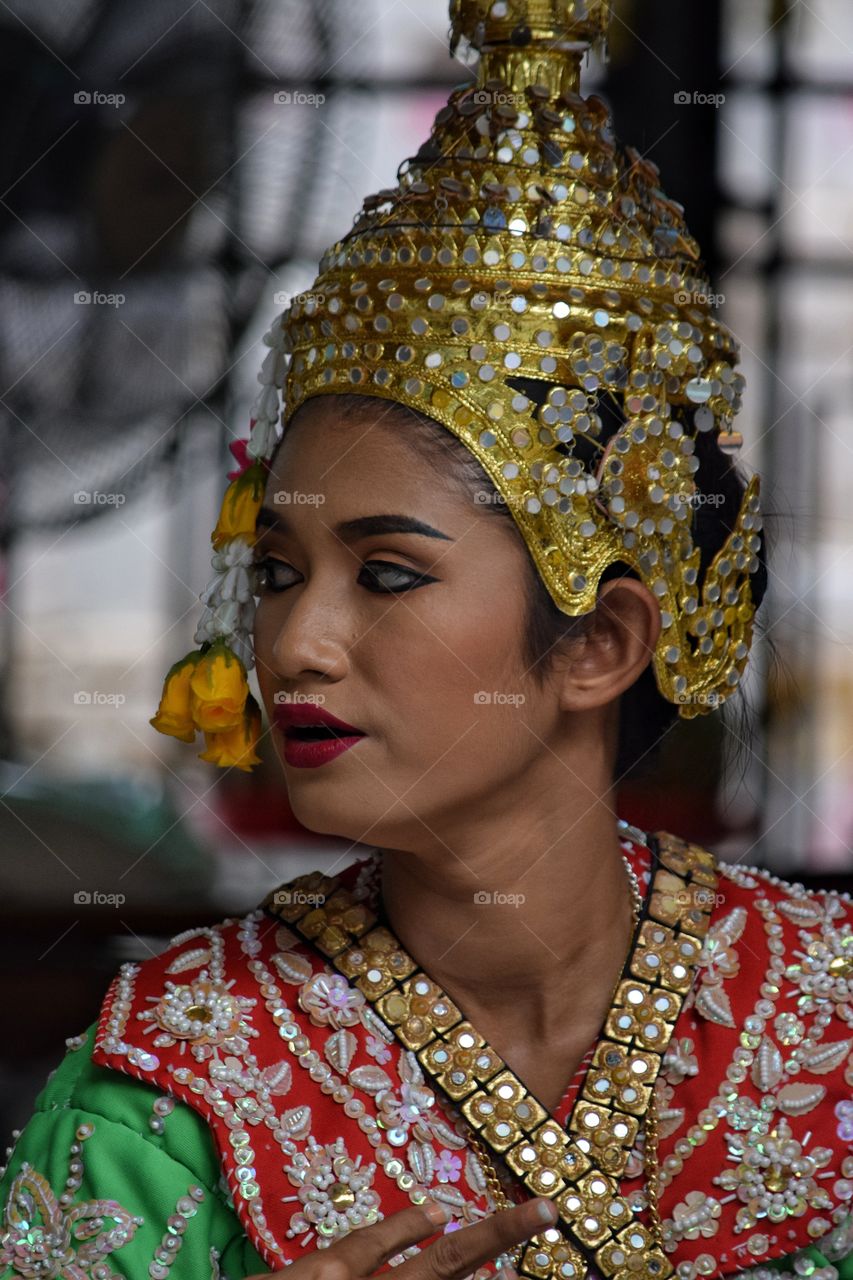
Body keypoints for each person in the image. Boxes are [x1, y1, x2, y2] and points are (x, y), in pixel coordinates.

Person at [2, 2, 853, 1278]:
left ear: (599, 641)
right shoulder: (171, 1076)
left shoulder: (827, 1016)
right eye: (279, 572)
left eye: (388, 574)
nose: (295, 644)